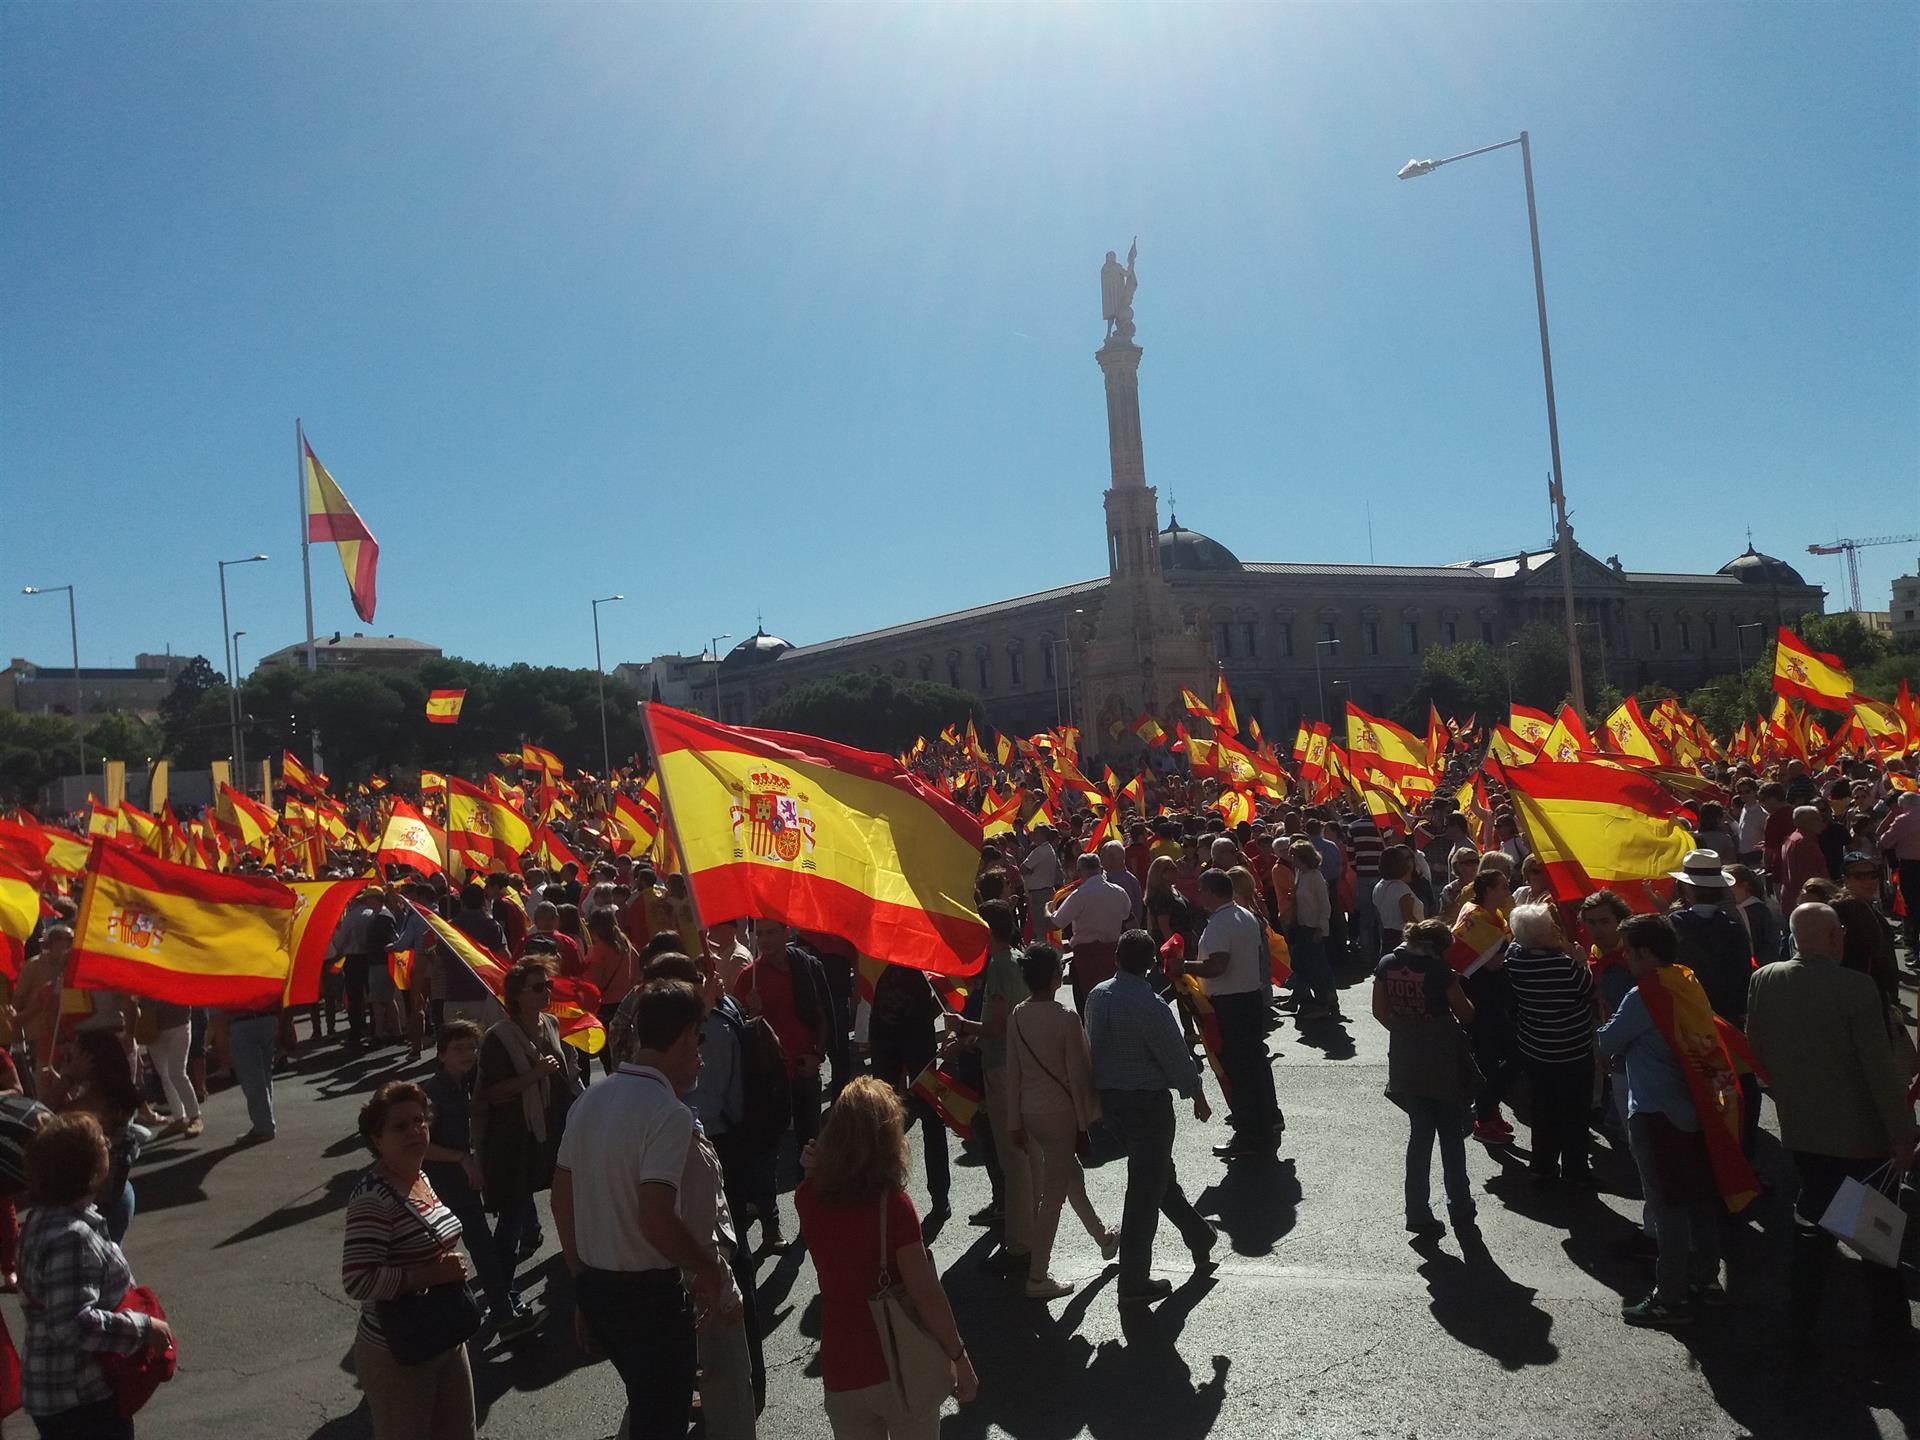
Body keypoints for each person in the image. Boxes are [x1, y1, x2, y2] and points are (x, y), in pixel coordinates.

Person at [554, 979, 746, 1440]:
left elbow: (562, 1200)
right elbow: (655, 1217)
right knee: (660, 1421)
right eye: (699, 1040)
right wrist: (709, 1270)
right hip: (649, 1300)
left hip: (599, 1288)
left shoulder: (590, 1100)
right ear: (684, 1038)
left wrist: (581, 1280)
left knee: (647, 1409)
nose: (701, 1056)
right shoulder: (668, 1113)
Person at [1748, 902, 1917, 1354]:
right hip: (1861, 1135)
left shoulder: (1765, 979)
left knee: (1812, 1228)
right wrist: (1903, 1134)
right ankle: (1890, 1329)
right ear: (1833, 936)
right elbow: (1880, 1071)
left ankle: (1801, 1326)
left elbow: (1757, 1047)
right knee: (1874, 1236)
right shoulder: (1857, 987)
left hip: (1802, 1128)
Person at [795, 1076, 977, 1439]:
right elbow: (925, 1293)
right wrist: (959, 1357)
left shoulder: (807, 1197)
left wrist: (812, 1171)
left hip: (842, 1370)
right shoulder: (893, 1207)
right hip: (898, 1366)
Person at [1596, 915, 1725, 1329]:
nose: (1626, 959)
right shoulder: (1686, 981)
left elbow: (1607, 1041)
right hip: (1697, 1106)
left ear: (1646, 953)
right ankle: (1706, 1280)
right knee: (1700, 1200)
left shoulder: (1645, 994)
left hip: (1656, 1111)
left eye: (1629, 952)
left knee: (1668, 1205)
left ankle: (1670, 1296)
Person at [20, 1111, 173, 1440]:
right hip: (79, 1397)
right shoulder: (71, 1236)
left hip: (58, 1391)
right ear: (87, 1172)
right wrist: (144, 1327)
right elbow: (72, 1324)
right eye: (101, 1142)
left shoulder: (43, 1218)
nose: (108, 1143)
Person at [340, 1081, 478, 1440]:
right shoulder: (373, 1196)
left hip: (444, 1332)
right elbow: (357, 1280)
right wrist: (430, 1275)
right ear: (377, 1140)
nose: (415, 1131)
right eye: (400, 1126)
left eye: (419, 1121)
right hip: (398, 1349)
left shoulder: (420, 1177)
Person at [1086, 929, 1217, 1306]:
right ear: (1152, 965)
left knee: (1157, 1178)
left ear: (1116, 957)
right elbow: (1174, 1054)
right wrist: (1196, 1093)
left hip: (1111, 1103)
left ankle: (1199, 1235)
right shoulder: (1150, 1003)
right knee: (1145, 1192)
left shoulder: (1097, 995)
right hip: (1147, 1106)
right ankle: (1133, 1282)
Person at [1004, 944, 1117, 1299]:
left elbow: (1013, 1072)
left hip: (1030, 1113)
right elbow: (1080, 1072)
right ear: (1054, 976)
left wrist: (1013, 1121)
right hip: (1060, 1114)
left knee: (1070, 1179)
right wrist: (1090, 1115)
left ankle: (1104, 1238)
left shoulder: (1017, 1015)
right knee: (1053, 1195)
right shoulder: (1066, 1017)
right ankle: (1037, 1274)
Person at [419, 1019, 533, 1339]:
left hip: (469, 1179)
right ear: (441, 1054)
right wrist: (461, 1158)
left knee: (488, 1245)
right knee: (478, 1248)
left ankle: (503, 1308)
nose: (468, 1054)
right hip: (447, 1184)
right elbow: (421, 1146)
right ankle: (501, 1313)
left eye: (472, 1048)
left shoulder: (468, 1083)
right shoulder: (433, 1094)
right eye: (459, 1049)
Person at [475, 958, 581, 1298]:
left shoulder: (551, 1023)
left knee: (571, 1203)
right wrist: (534, 1075)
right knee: (512, 1217)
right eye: (538, 987)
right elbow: (492, 1092)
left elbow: (566, 1076)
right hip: (516, 1138)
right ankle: (501, 1297)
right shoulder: (498, 1037)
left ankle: (579, 1273)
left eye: (548, 985)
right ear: (517, 996)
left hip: (553, 1132)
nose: (546, 992)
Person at [1371, 919, 1477, 1238]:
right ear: (1439, 948)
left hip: (1406, 1055)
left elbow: (1379, 1011)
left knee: (1419, 1135)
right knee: (1451, 1134)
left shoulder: (1386, 964)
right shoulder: (1439, 970)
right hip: (1441, 1057)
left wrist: (1407, 1030)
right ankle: (1460, 1204)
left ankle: (1416, 1210)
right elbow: (1465, 1013)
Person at [1182, 870, 1280, 1159]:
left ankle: (1249, 1134)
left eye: (1201, 890)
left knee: (1238, 1071)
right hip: (1249, 998)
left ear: (1212, 892)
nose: (1199, 895)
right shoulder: (1246, 916)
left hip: (1230, 1004)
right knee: (1255, 1066)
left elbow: (1217, 966)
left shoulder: (1220, 923)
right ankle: (1268, 1121)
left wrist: (1183, 966)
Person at [1503, 903, 1597, 1183]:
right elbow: (1587, 989)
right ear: (1541, 936)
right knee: (1575, 1112)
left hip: (1535, 1047)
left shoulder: (1514, 959)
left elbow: (1516, 945)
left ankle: (1542, 1167)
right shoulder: (1565, 966)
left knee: (1543, 1109)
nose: (1556, 929)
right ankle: (1575, 1172)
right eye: (1551, 926)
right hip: (1572, 1050)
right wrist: (1581, 961)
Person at [730, 921, 831, 1153]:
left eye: (771, 933)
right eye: (760, 934)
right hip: (770, 1074)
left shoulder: (806, 966)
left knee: (810, 1144)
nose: (764, 940)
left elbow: (823, 1014)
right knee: (770, 1147)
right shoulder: (748, 977)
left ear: (786, 933)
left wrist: (818, 1055)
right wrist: (751, 1012)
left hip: (804, 1068)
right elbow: (738, 1031)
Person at [972, 901, 1033, 1263]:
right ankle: (1028, 1234)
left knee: (1013, 1161)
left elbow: (996, 1025)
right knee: (1025, 1156)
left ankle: (1020, 1244)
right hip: (1020, 1062)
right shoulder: (1016, 958)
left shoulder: (998, 965)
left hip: (1000, 1065)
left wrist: (964, 1027)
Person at [866, 963, 951, 1217]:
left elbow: (945, 995)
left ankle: (939, 1196)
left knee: (930, 1120)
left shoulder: (922, 968)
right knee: (885, 1122)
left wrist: (924, 1017)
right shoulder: (882, 968)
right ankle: (887, 1189)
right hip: (889, 1049)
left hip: (917, 1049)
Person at [1046, 852, 1132, 1015]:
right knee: (1113, 1001)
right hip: (1112, 954)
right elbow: (1127, 916)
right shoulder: (1119, 892)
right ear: (1100, 869)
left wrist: (1047, 910)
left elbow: (1055, 923)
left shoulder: (1079, 895)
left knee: (1087, 1005)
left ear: (1079, 871)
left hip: (1086, 956)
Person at [1286, 839, 1338, 1019]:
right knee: (1303, 965)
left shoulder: (1315, 877)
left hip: (1313, 927)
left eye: (1294, 856)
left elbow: (1325, 905)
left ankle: (1323, 1001)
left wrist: (1321, 927)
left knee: (1316, 967)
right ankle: (1307, 997)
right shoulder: (1300, 874)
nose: (1292, 859)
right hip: (1302, 925)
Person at [1372, 846, 1424, 958]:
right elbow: (1408, 919)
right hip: (1403, 939)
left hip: (1386, 936)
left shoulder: (1379, 886)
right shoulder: (1401, 889)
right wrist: (1424, 933)